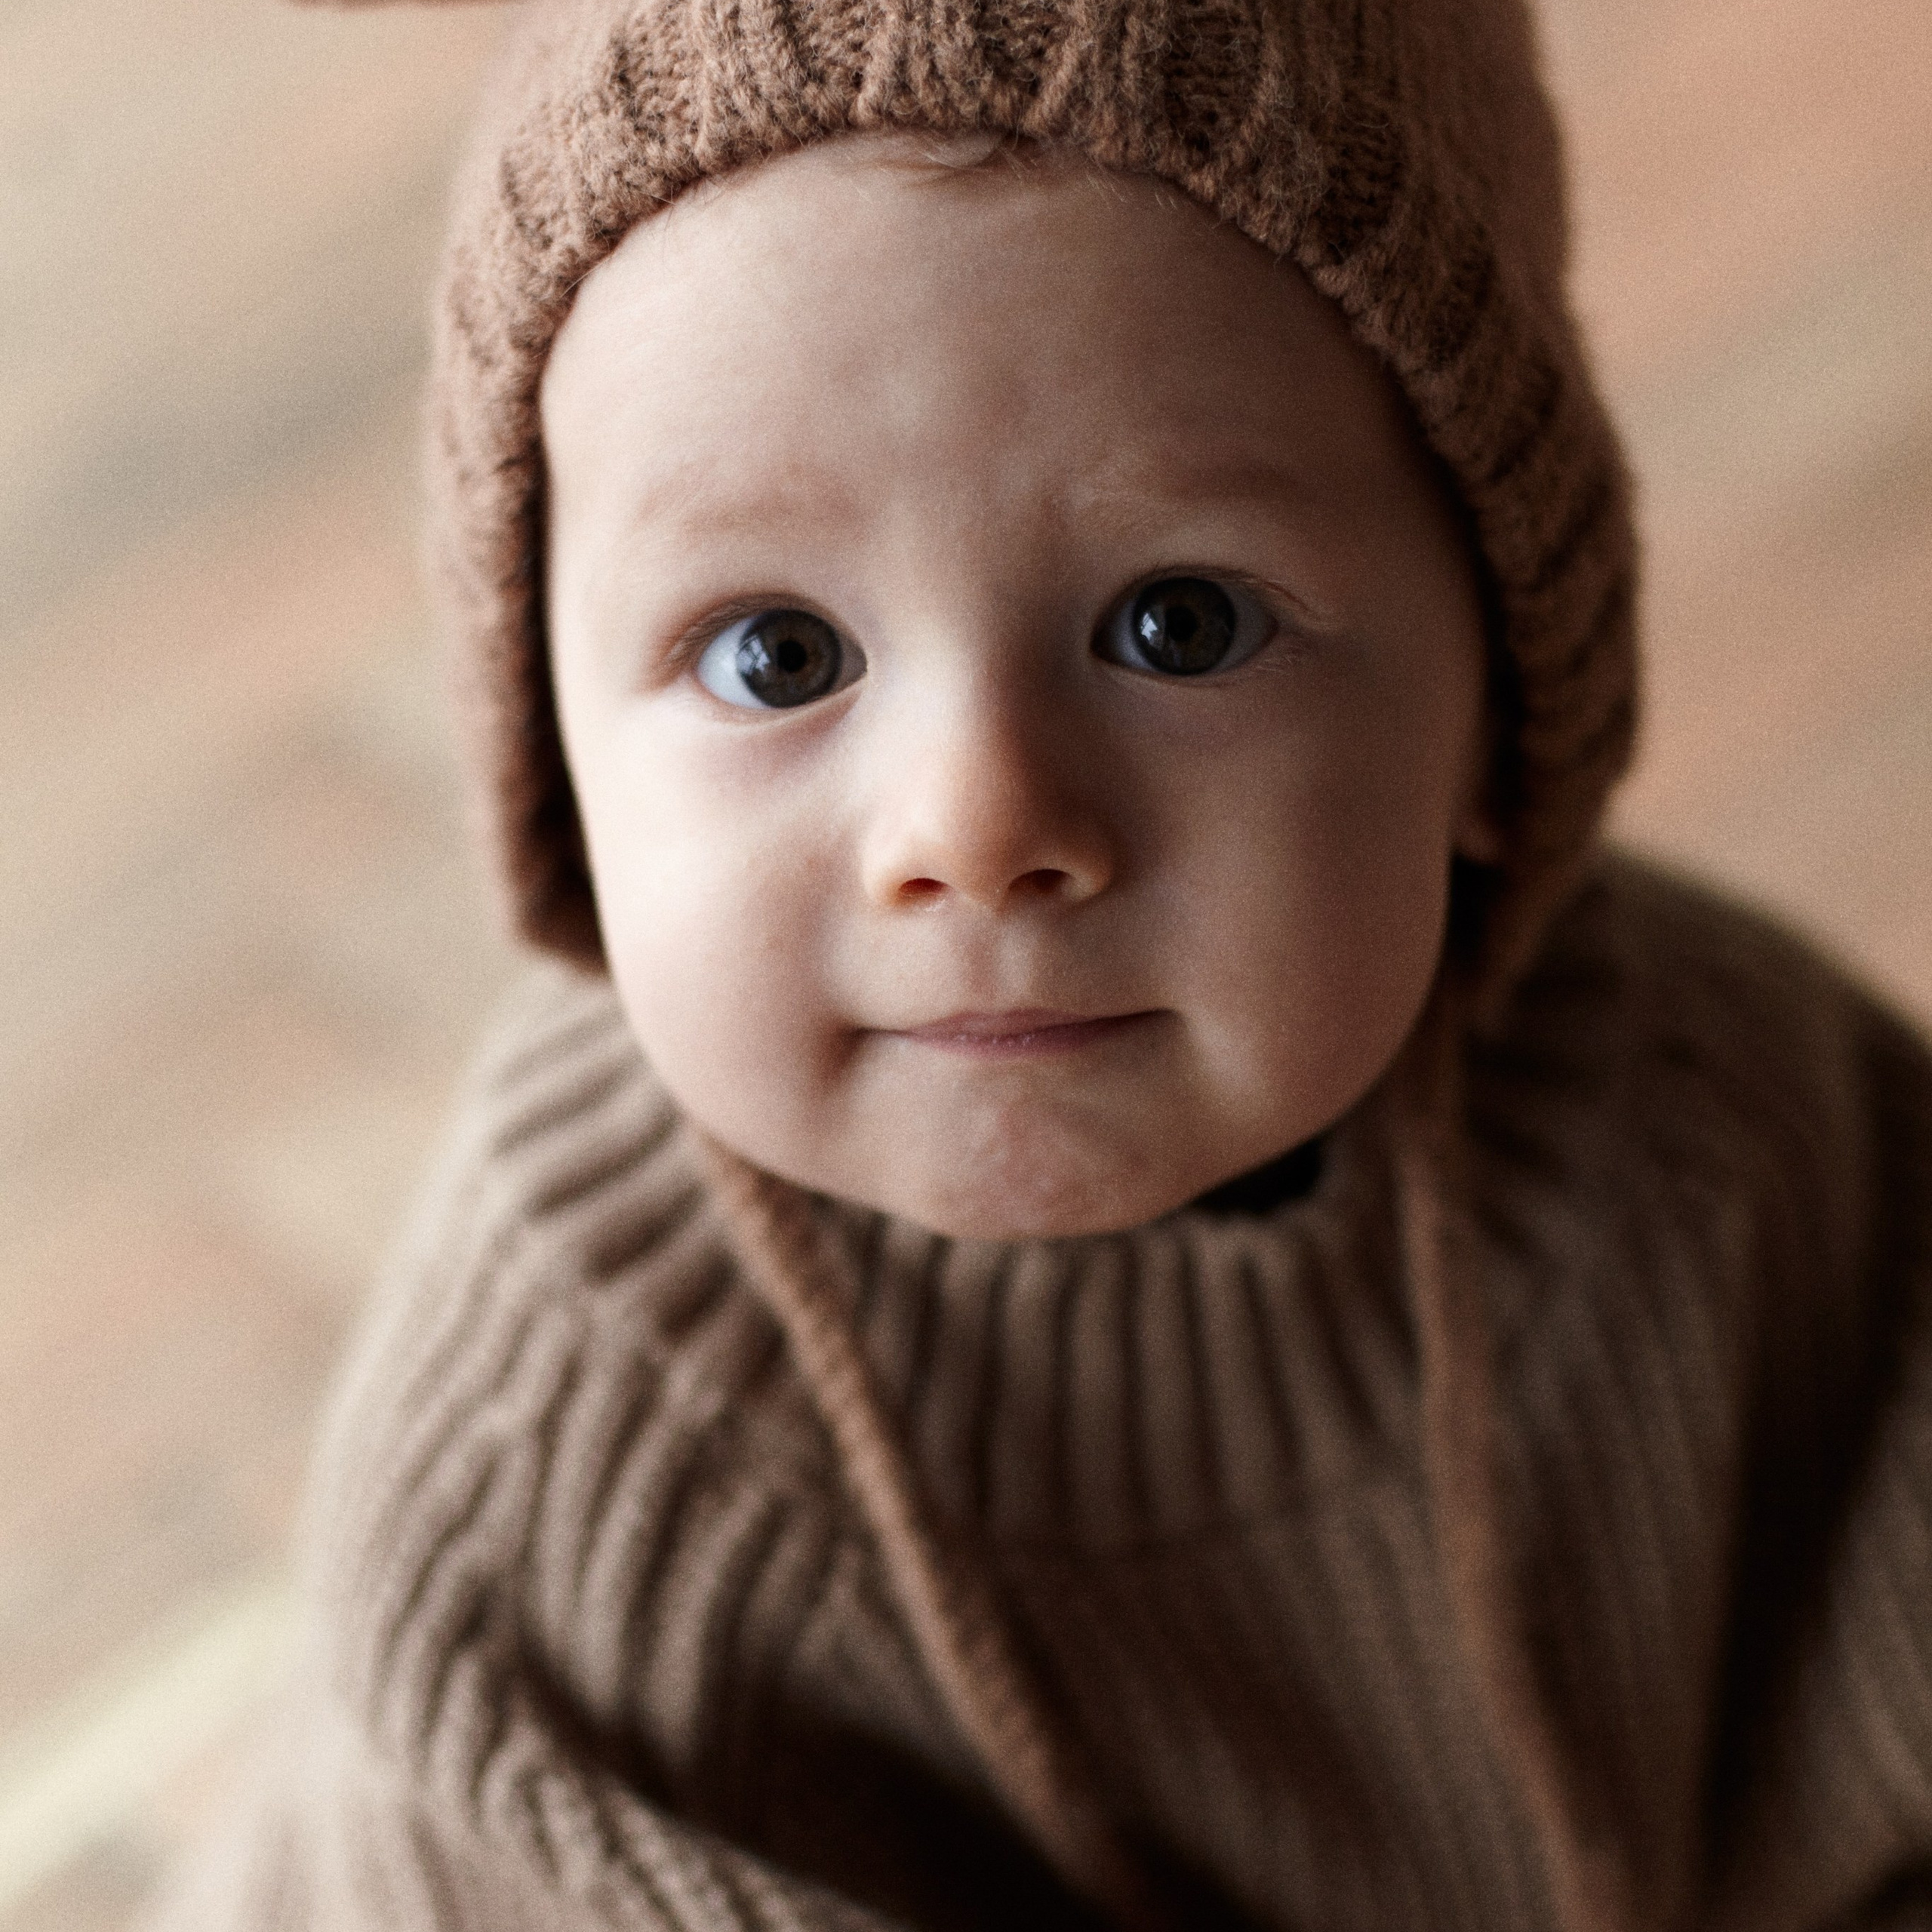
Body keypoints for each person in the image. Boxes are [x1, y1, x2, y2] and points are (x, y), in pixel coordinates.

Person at [149, 0, 1932, 1926]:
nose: (976, 821)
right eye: (775, 654)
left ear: (1497, 694)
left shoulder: (1736, 1127)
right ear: (555, 758)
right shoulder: (570, 1440)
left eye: (1178, 623)